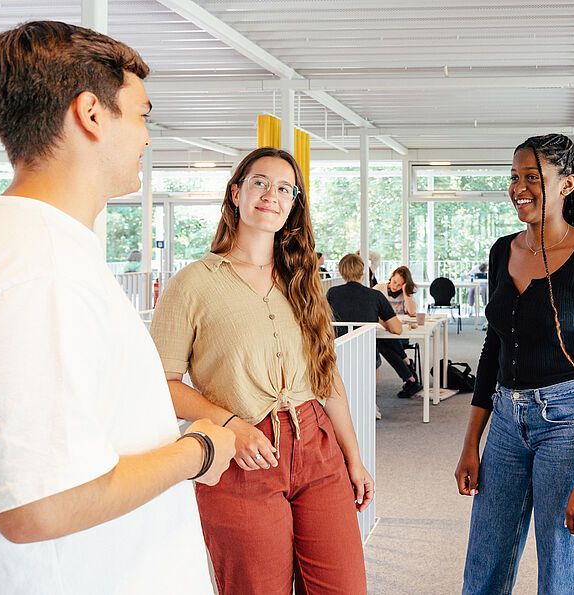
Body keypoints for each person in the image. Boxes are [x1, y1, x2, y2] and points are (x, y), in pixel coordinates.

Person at [0, 21, 235, 595]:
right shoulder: (38, 269)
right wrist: (200, 447)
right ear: (91, 113)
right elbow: (39, 504)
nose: (146, 136)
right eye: (141, 115)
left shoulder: (29, 248)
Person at [149, 147, 372, 594]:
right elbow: (161, 385)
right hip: (241, 455)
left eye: (285, 189)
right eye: (260, 183)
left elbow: (327, 381)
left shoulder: (303, 281)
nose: (273, 195)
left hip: (318, 449)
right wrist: (231, 423)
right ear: (236, 192)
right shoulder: (193, 283)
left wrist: (354, 458)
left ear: (293, 206)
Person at [455, 133, 574, 594]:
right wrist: (472, 440)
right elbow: (494, 349)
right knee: (484, 561)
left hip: (569, 423)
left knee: (559, 568)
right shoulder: (502, 251)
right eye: (514, 177)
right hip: (508, 423)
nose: (519, 188)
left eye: (533, 177)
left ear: (567, 184)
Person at [327, 254, 404, 419]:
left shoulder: (332, 293)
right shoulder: (375, 296)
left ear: (342, 273)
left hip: (337, 352)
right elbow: (397, 329)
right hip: (366, 354)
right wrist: (380, 318)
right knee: (372, 355)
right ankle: (368, 401)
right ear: (363, 272)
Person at [373, 266, 423, 398]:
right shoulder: (379, 288)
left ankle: (409, 377)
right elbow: (371, 307)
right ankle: (407, 367)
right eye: (395, 282)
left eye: (400, 284)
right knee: (383, 342)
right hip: (384, 330)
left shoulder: (405, 292)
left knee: (384, 344)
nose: (396, 286)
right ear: (391, 276)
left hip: (400, 334)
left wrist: (406, 292)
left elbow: (412, 312)